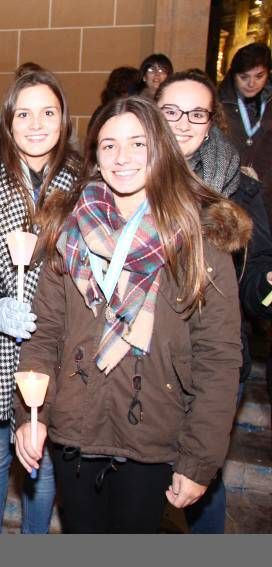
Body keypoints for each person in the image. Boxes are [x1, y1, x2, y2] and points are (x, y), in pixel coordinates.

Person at [14, 95, 249, 533]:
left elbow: (218, 359)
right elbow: (45, 334)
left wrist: (199, 459)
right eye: (108, 145)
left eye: (137, 144)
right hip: (76, 429)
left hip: (151, 434)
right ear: (95, 156)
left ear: (159, 149)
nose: (121, 158)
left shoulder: (197, 239)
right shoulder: (68, 229)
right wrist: (32, 415)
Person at [0, 69, 81, 534]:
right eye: (23, 113)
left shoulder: (88, 185)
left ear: (64, 119)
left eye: (47, 112)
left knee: (41, 462)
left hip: (60, 349)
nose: (36, 124)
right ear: (8, 122)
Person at [156, 70, 272, 533]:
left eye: (197, 112)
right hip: (140, 362)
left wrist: (269, 286)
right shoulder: (123, 175)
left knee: (202, 482)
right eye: (171, 111)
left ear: (211, 121)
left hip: (210, 361)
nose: (183, 123)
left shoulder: (239, 187)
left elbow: (258, 276)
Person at [218, 43, 272, 226]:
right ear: (234, 76)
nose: (251, 83)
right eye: (244, 77)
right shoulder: (219, 104)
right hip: (229, 195)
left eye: (259, 76)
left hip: (265, 195)